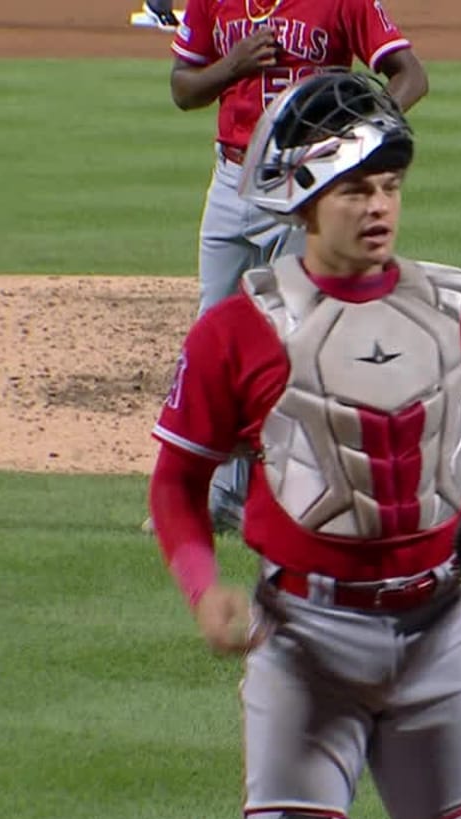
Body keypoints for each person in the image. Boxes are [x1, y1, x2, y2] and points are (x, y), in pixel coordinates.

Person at [146, 72, 461, 819]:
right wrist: (201, 584)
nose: (379, 205)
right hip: (303, 641)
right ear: (307, 198)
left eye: (389, 186)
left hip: (438, 636)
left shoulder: (452, 309)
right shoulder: (237, 329)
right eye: (355, 189)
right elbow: (177, 480)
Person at [167, 0, 429, 530]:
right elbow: (182, 88)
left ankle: (300, 495)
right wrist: (232, 65)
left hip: (305, 187)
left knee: (296, 341)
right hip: (231, 179)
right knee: (215, 336)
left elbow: (410, 76)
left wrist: (356, 144)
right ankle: (218, 495)